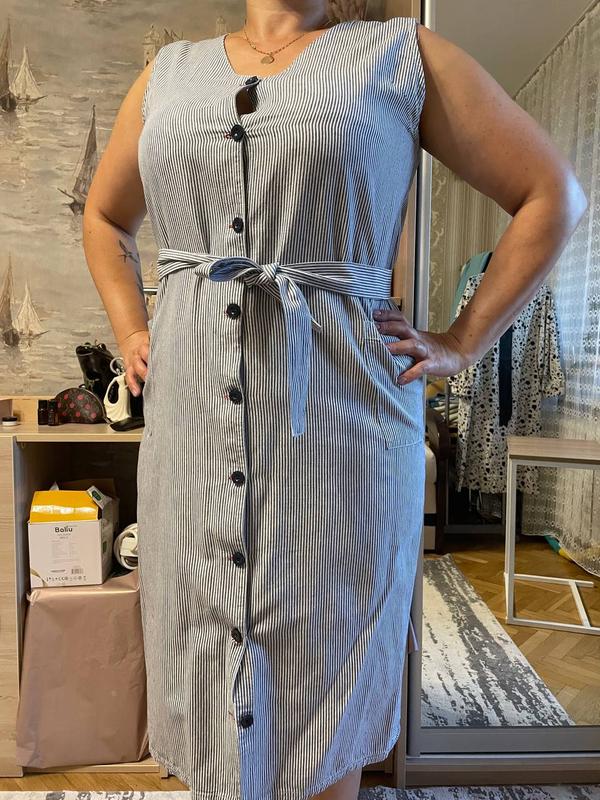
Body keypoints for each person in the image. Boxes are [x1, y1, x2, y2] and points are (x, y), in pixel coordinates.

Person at [82, 3, 587, 800]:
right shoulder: (168, 76)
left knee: (326, 681)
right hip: (192, 438)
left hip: (341, 438)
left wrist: (462, 342)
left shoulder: (402, 58)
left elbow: (551, 195)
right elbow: (106, 217)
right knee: (206, 663)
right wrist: (132, 328)